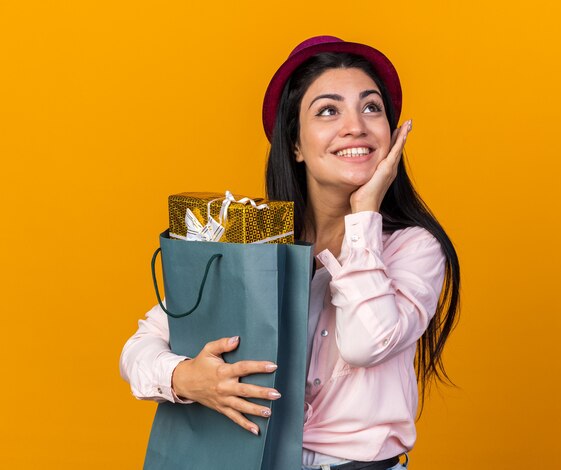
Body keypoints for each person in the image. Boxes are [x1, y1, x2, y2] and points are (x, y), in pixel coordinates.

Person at [121, 35, 460, 470]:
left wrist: (364, 215)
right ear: (295, 145)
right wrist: (187, 378)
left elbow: (364, 344)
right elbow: (138, 348)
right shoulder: (254, 244)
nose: (355, 125)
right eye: (328, 110)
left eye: (371, 107)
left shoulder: (414, 248)